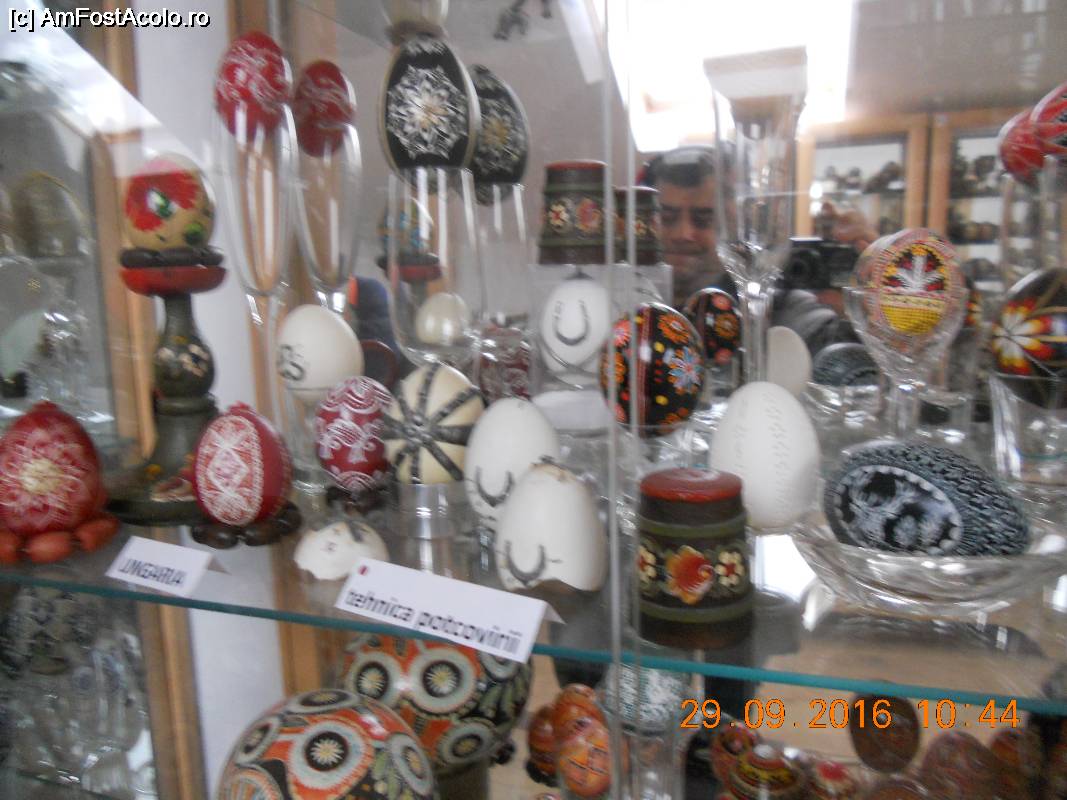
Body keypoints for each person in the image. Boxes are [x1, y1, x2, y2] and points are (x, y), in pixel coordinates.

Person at [642, 145, 860, 355]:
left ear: (737, 229)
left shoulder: (775, 309)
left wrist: (870, 318)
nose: (683, 233)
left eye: (704, 220)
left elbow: (835, 353)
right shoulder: (630, 302)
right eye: (666, 218)